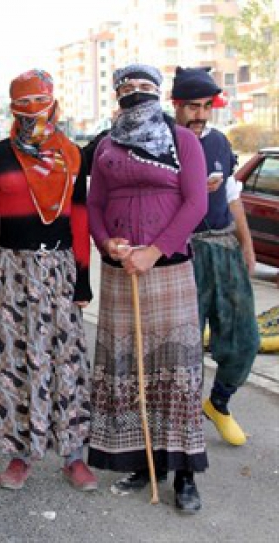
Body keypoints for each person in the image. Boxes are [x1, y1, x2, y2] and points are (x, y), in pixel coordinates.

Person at [87, 64, 209, 514]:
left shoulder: (183, 141)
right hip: (121, 273)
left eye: (144, 87)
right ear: (116, 94)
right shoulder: (105, 146)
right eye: (126, 88)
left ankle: (184, 474)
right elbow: (95, 204)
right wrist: (108, 243)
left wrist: (154, 251)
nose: (135, 94)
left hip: (168, 269)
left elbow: (196, 202)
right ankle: (142, 463)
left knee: (174, 371)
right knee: (132, 368)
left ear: (158, 94)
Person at [0, 70, 96, 492]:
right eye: (23, 106)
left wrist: (83, 279)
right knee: (14, 362)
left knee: (68, 363)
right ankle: (19, 455)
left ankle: (73, 455)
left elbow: (79, 218)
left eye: (39, 104)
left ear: (54, 104)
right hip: (12, 272)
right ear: (12, 109)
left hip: (59, 270)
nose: (33, 114)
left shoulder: (71, 155)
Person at [171, 66, 261, 447]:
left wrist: (247, 244)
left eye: (208, 106)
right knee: (184, 346)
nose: (201, 115)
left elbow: (231, 196)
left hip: (223, 248)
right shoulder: (164, 141)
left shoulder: (220, 142)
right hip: (183, 253)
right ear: (176, 104)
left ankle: (218, 403)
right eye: (193, 106)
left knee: (245, 338)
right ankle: (183, 421)